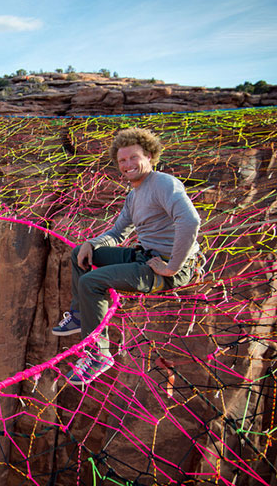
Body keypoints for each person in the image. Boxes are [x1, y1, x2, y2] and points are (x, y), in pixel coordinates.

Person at [54, 127, 201, 384]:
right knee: (80, 252)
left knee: (91, 282)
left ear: (150, 157)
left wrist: (172, 267)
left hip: (165, 269)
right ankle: (80, 316)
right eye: (122, 160)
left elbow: (190, 221)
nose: (127, 164)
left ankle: (99, 355)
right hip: (145, 257)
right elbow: (118, 233)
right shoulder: (134, 196)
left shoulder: (163, 183)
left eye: (134, 157)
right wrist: (91, 243)